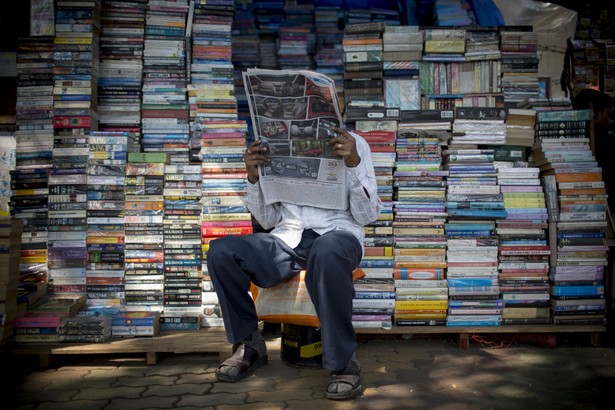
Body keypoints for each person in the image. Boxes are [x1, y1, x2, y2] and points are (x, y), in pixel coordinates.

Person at [206, 126, 382, 400]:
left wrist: (352, 162)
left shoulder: (355, 144)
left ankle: (343, 361)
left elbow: (368, 214)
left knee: (327, 249)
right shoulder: (272, 145)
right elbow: (267, 221)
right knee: (221, 251)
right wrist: (253, 177)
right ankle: (249, 344)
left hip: (338, 234)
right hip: (287, 238)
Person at [571, 89, 615, 213]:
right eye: (608, 114)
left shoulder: (577, 135)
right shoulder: (601, 137)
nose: (610, 120)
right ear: (595, 113)